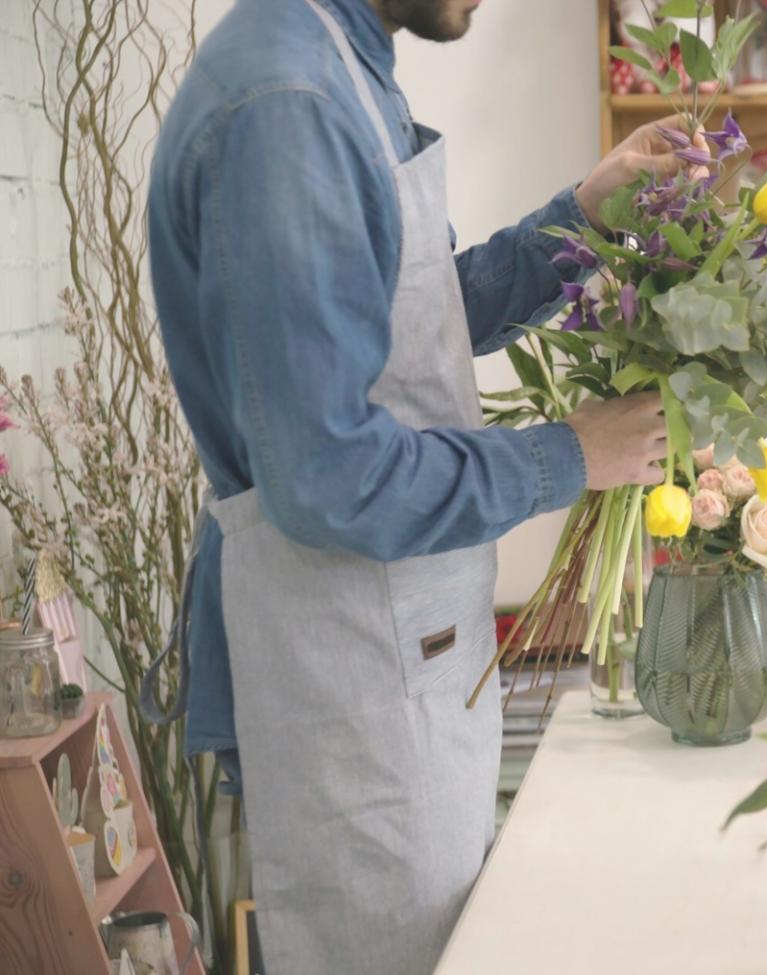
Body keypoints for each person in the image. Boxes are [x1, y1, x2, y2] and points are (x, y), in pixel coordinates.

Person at [146, 0, 689, 971]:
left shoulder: (337, 64)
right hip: (354, 660)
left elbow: (412, 321)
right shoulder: (288, 101)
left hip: (389, 650)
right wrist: (570, 453)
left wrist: (582, 217)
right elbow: (330, 476)